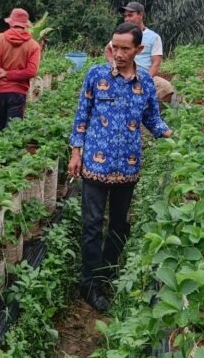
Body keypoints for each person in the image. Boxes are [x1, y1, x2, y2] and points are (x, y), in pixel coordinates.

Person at [70, 22, 172, 311]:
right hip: (94, 165)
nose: (119, 53)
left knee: (118, 226)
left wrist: (171, 135)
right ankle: (89, 284)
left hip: (127, 167)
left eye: (126, 48)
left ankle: (107, 273)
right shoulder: (96, 76)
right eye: (115, 47)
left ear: (138, 49)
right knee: (91, 225)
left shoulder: (146, 83)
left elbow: (152, 119)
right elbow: (81, 116)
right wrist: (75, 153)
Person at [104, 1, 174, 103]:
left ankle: (154, 115)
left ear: (140, 15)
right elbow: (108, 49)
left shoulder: (153, 37)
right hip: (121, 73)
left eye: (130, 15)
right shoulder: (123, 35)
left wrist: (143, 80)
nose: (127, 19)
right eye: (125, 16)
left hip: (144, 75)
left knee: (166, 88)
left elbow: (156, 63)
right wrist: (113, 65)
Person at [0, 7, 42, 130]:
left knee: (0, 128)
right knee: (13, 131)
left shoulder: (0, 39)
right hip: (18, 93)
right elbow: (31, 71)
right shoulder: (33, 45)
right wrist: (11, 75)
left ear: (11, 23)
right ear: (25, 26)